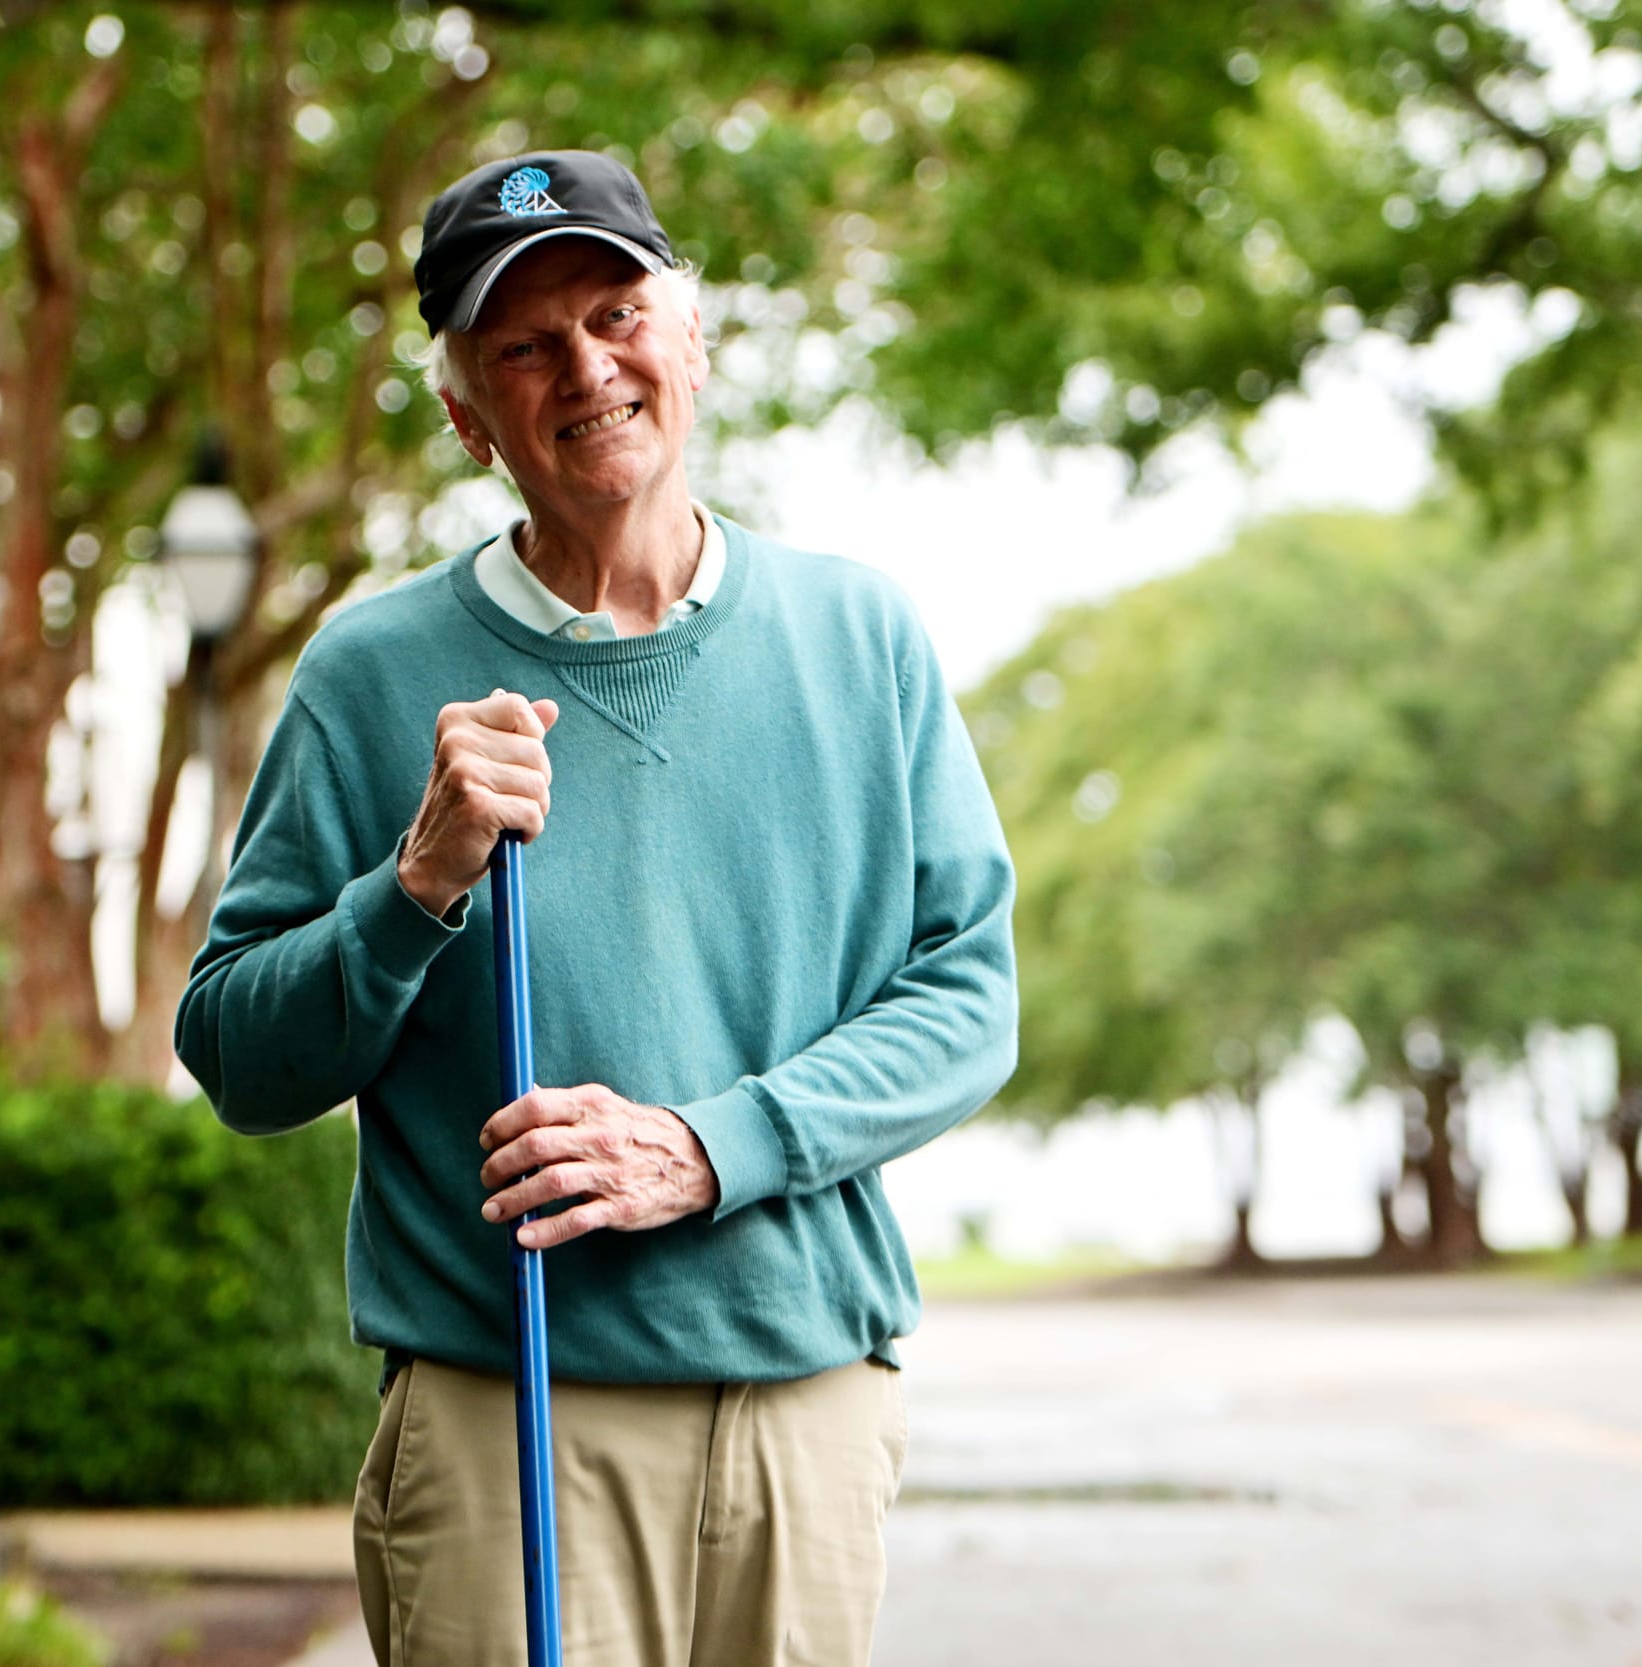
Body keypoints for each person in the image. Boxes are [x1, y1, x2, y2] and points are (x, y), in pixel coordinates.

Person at [176, 150, 1018, 1667]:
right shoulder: (371, 678)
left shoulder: (861, 637)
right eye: (524, 343)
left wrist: (710, 1147)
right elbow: (238, 1055)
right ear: (464, 410)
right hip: (510, 1426)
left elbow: (968, 999)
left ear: (691, 341)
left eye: (619, 313)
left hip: (803, 1415)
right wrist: (416, 882)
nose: (586, 367)